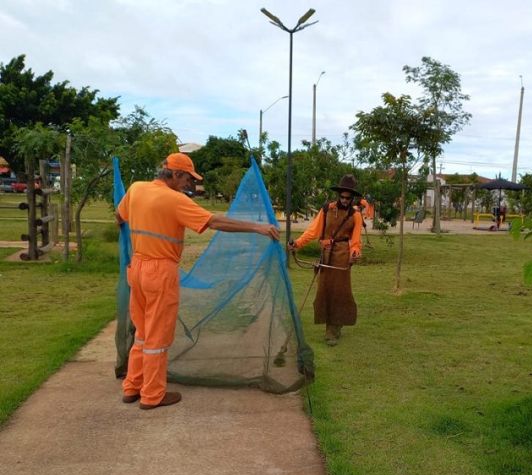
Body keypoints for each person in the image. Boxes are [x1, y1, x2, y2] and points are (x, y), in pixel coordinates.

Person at [115, 152, 279, 409]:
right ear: (176, 174)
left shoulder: (136, 189)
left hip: (136, 268)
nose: (189, 184)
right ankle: (152, 395)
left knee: (142, 333)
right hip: (160, 271)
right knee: (158, 337)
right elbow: (215, 221)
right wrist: (258, 228)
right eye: (188, 179)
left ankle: (132, 386)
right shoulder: (174, 200)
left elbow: (119, 217)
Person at [288, 174, 363, 346]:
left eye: (348, 198)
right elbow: (312, 231)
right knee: (324, 291)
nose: (344, 200)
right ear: (338, 195)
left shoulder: (356, 215)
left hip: (343, 256)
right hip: (326, 254)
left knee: (339, 292)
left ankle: (333, 329)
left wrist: (355, 253)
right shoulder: (326, 209)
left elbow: (356, 241)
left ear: (352, 198)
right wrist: (297, 244)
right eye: (342, 197)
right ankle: (332, 324)